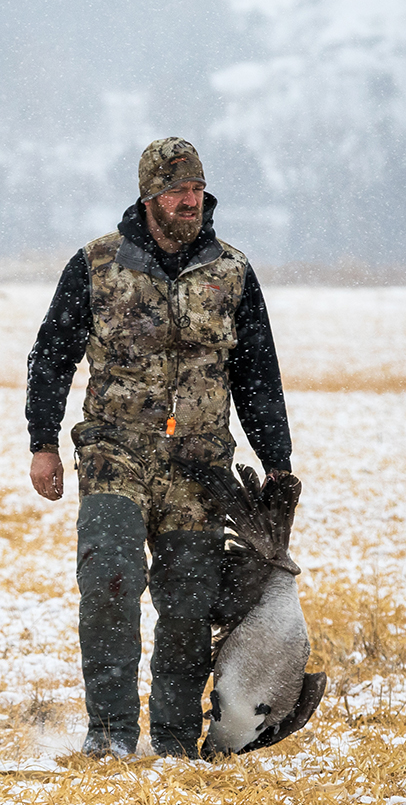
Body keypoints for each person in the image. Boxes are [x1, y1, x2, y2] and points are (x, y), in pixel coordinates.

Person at [26, 137, 292, 759]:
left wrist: (277, 461)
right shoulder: (96, 264)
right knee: (110, 581)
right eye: (176, 191)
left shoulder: (232, 271)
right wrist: (42, 443)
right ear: (149, 197)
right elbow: (51, 357)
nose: (189, 201)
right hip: (115, 453)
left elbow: (258, 375)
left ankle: (173, 743)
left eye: (196, 190)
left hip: (199, 466)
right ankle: (111, 736)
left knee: (189, 605)